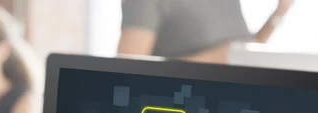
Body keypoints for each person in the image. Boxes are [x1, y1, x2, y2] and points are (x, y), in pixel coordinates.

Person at [117, 0, 295, 64]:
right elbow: (128, 71)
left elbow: (246, 51)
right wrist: (216, 59)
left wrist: (279, 13)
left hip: (245, 102)